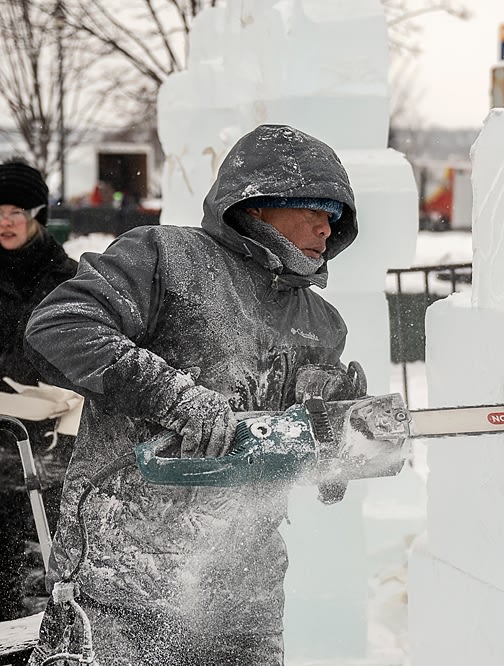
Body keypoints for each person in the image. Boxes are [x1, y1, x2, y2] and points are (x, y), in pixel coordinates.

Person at [24, 124, 366, 665]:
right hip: (124, 574)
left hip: (244, 593)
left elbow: (305, 468)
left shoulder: (322, 325)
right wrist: (174, 396)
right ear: (258, 202)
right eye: (316, 207)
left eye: (336, 216)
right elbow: (62, 323)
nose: (327, 227)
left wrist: (337, 441)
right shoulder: (165, 258)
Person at [0, 159, 78, 621]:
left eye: (14, 211)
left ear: (37, 215)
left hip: (46, 448)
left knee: (41, 561)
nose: (4, 223)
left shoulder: (68, 279)